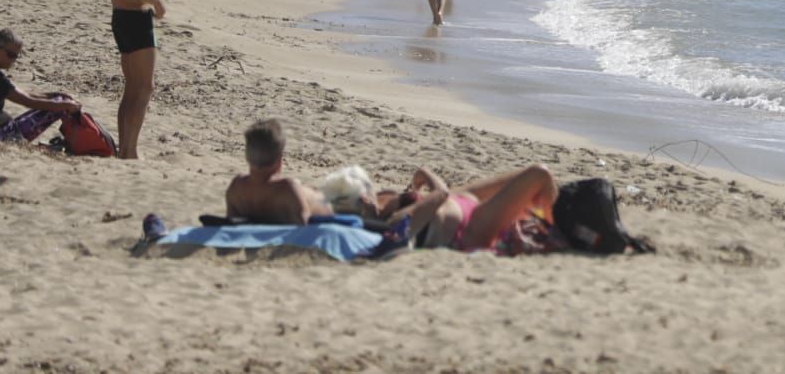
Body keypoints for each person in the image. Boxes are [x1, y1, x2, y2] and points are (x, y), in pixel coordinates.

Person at [98, 0, 173, 159]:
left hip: (119, 17)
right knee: (145, 87)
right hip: (137, 19)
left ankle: (124, 148)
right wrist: (157, 2)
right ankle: (130, 151)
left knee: (132, 88)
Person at [377, 163, 559, 254]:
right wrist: (425, 172)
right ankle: (556, 226)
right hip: (469, 227)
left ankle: (554, 219)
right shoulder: (393, 223)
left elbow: (440, 197)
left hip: (461, 200)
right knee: (539, 174)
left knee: (540, 181)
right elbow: (441, 193)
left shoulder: (379, 202)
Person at [0, 29, 80, 141]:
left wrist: (56, 95)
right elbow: (29, 101)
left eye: (16, 56)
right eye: (11, 55)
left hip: (1, 130)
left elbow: (25, 94)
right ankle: (78, 139)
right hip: (1, 136)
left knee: (60, 100)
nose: (13, 60)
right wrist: (67, 105)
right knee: (60, 107)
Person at [225, 120, 333, 225]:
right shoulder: (287, 189)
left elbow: (231, 226)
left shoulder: (236, 188)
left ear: (247, 158)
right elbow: (303, 228)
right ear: (280, 161)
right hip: (326, 202)